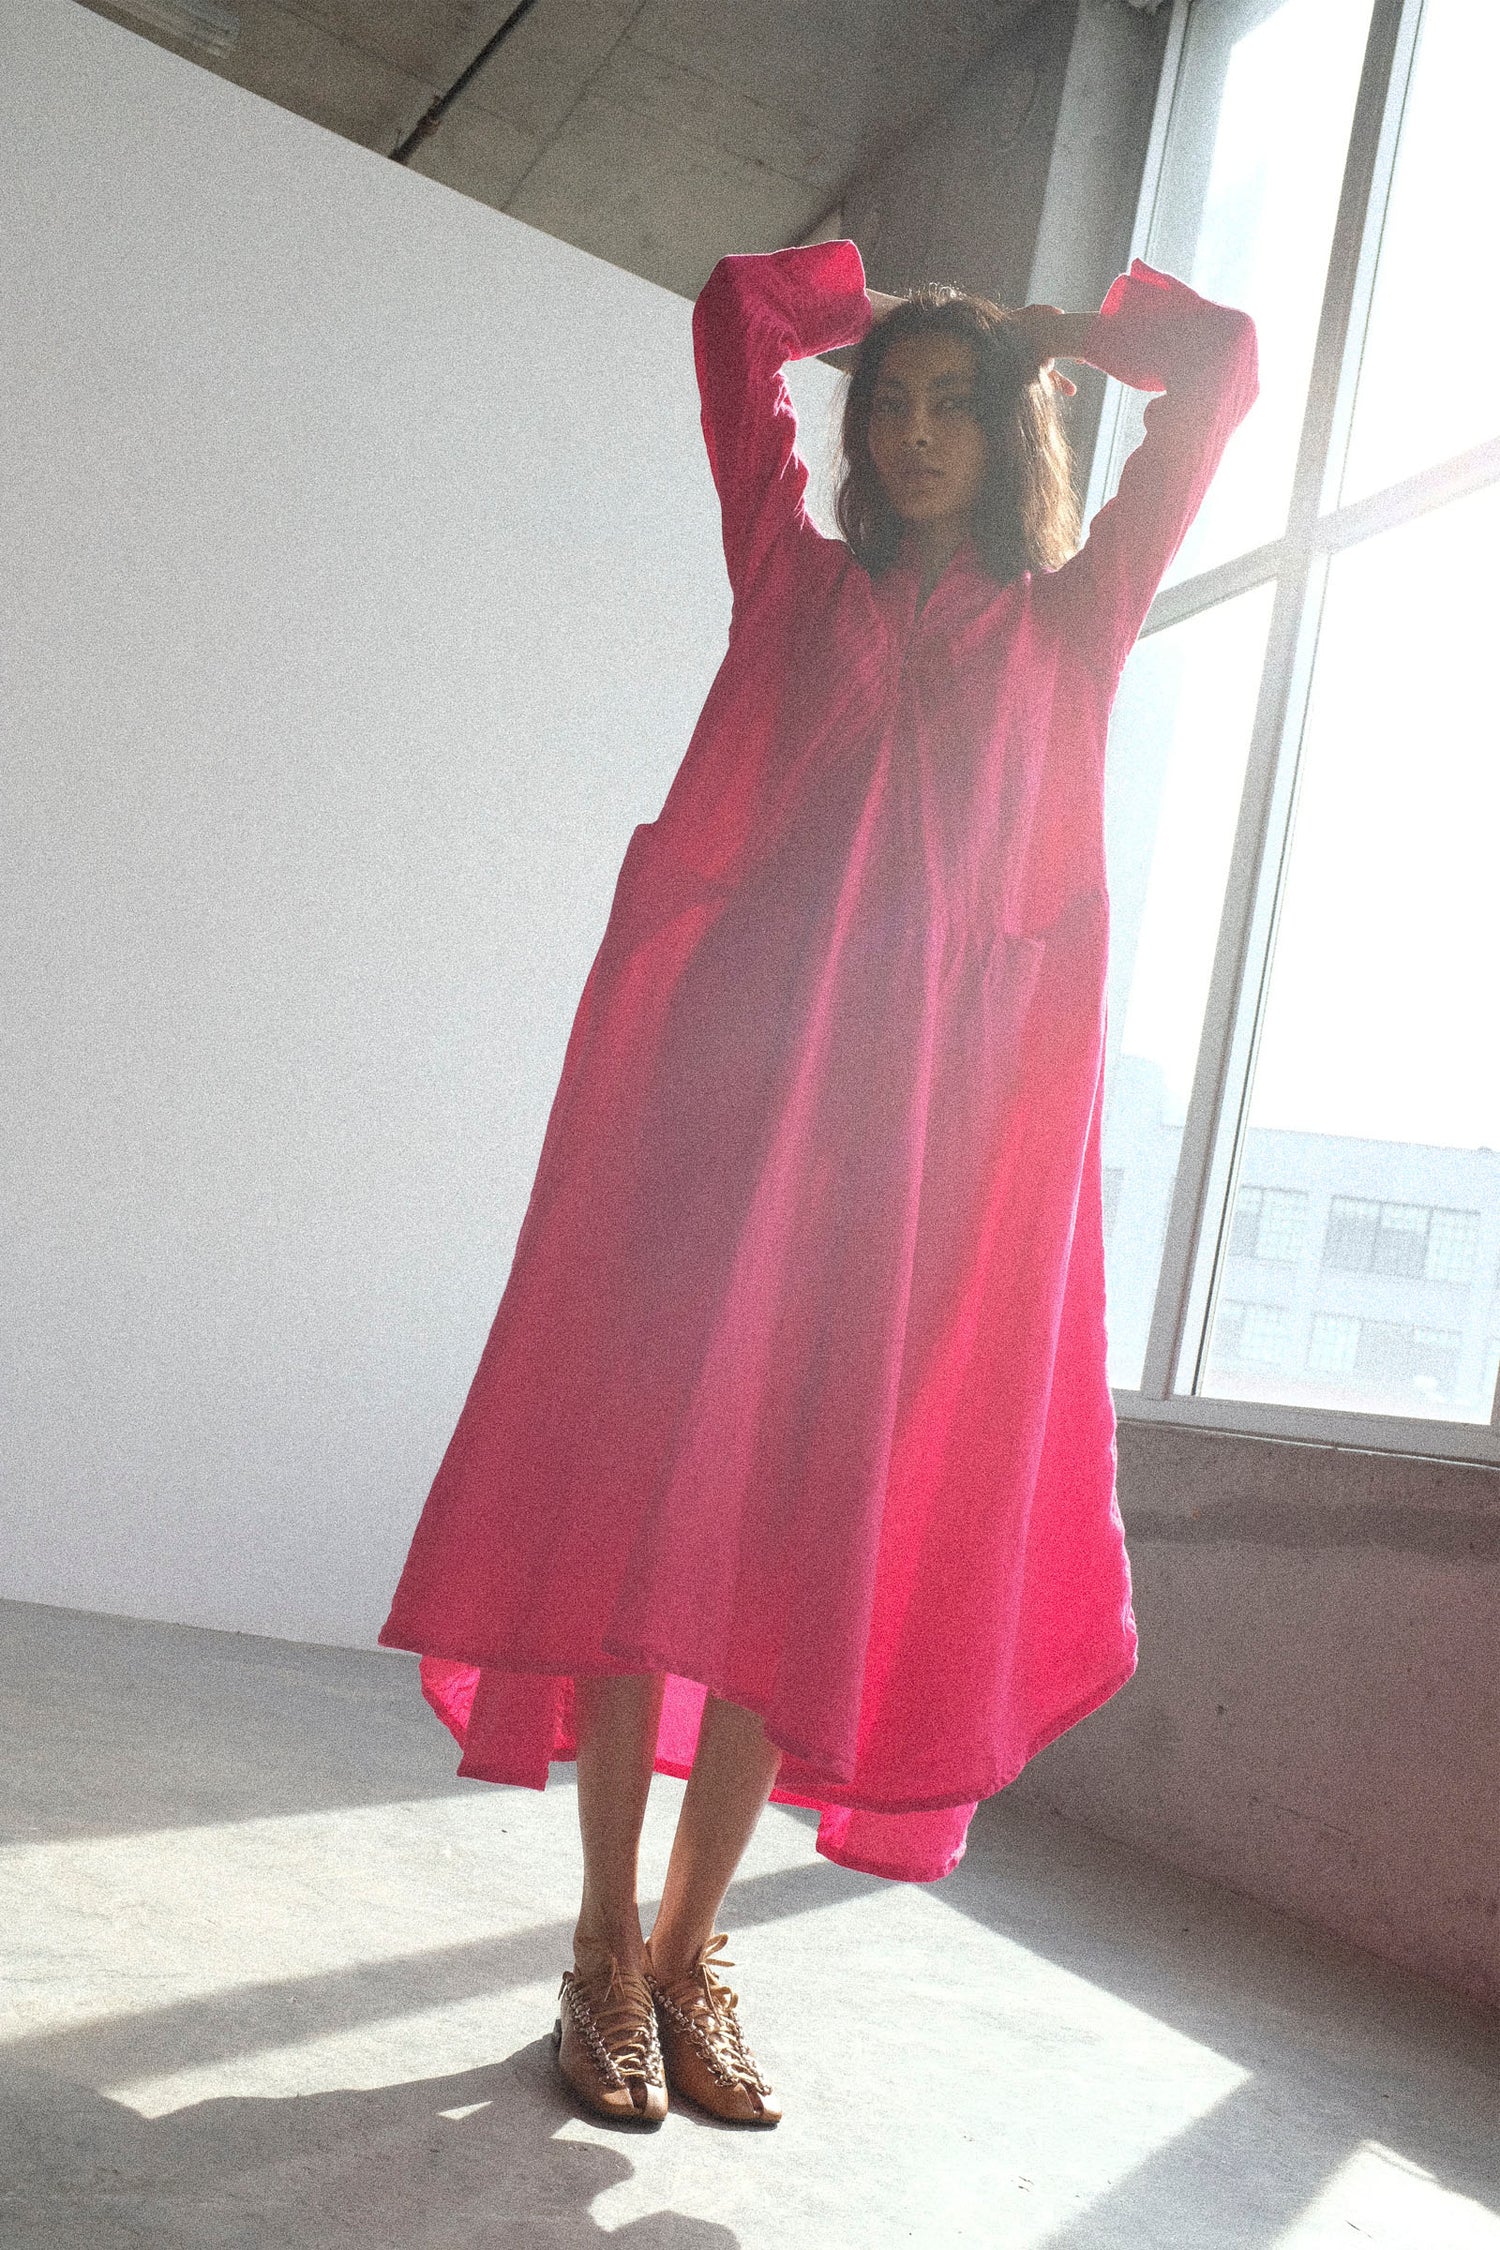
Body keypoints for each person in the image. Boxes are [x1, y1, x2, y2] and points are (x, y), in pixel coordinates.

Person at [379, 239, 1258, 2129]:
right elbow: (732, 319)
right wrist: (879, 312)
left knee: (806, 1551)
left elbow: (1227, 368)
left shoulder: (1077, 619)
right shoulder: (788, 572)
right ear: (857, 437)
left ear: (1012, 429)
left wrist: (1048, 336)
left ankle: (697, 1955)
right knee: (646, 1531)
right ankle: (602, 1951)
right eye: (895, 408)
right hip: (718, 1139)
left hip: (918, 1171)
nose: (920, 432)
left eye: (956, 406)